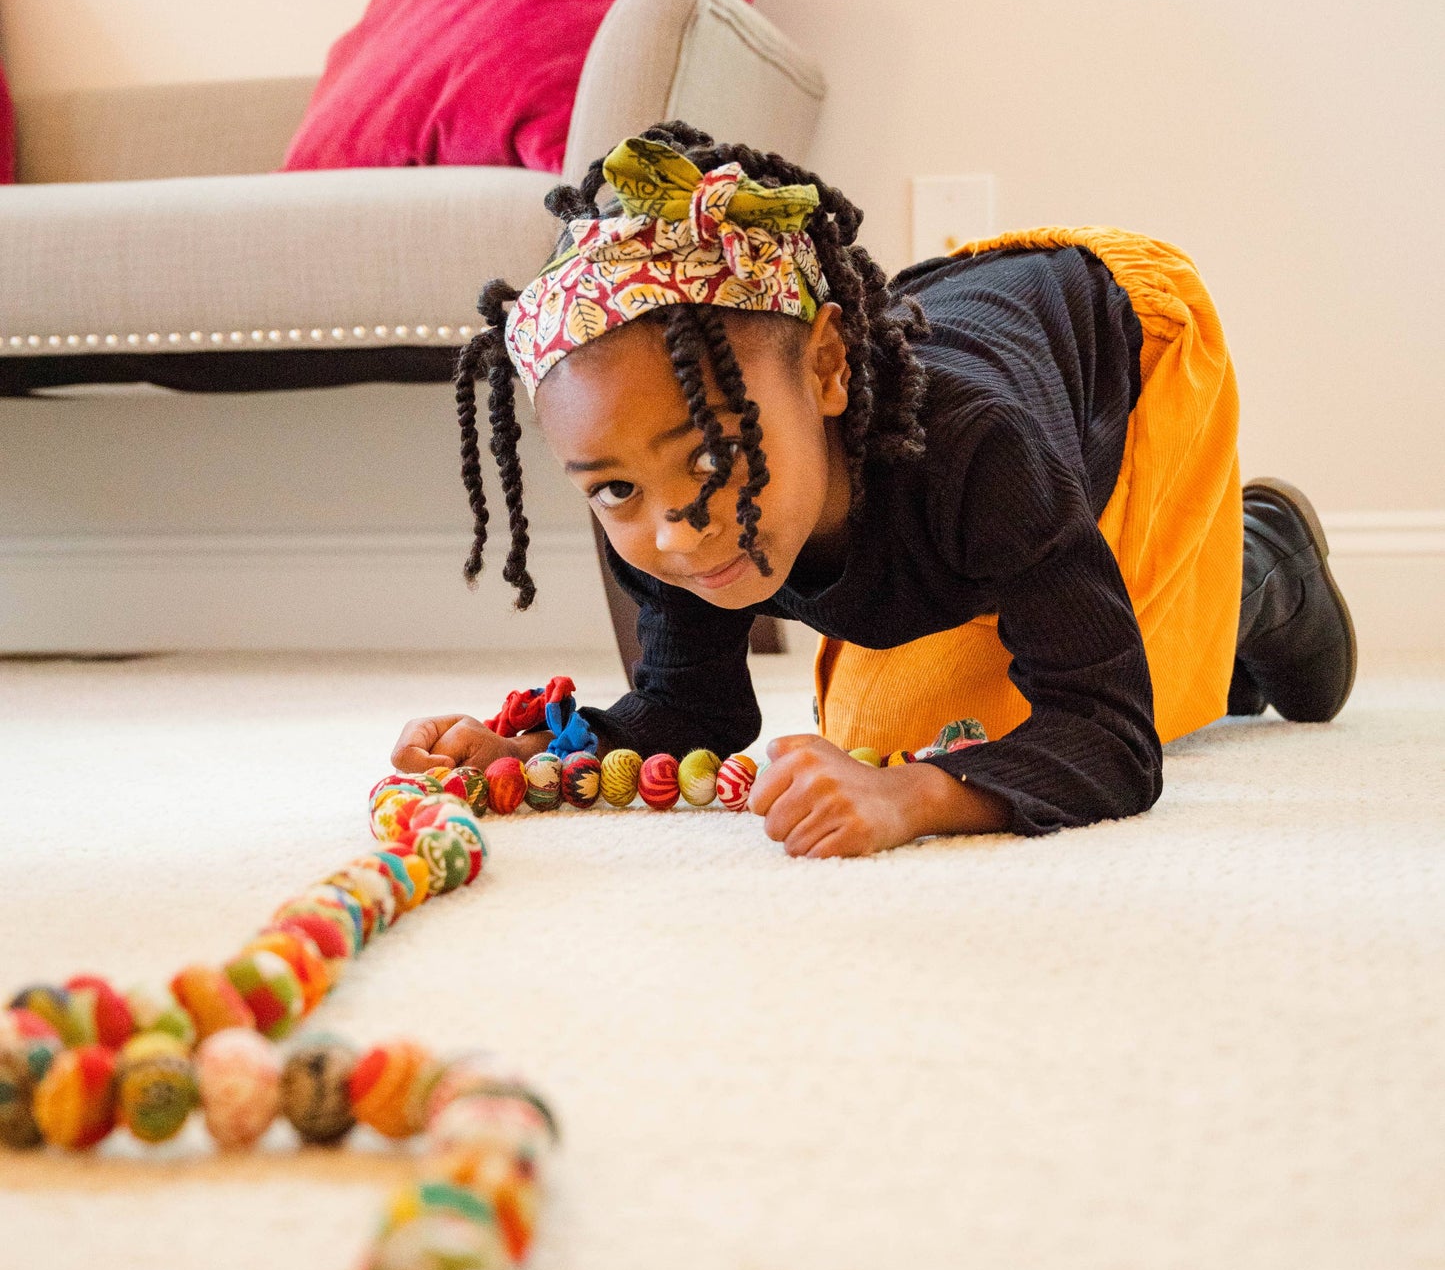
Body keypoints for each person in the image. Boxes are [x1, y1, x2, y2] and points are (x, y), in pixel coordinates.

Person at [391, 125, 1355, 857]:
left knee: (927, 739)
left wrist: (913, 799)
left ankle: (1262, 562)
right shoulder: (661, 503)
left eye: (709, 460)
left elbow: (1108, 734)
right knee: (876, 735)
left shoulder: (981, 454)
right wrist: (543, 754)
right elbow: (695, 710)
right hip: (943, 368)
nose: (675, 535)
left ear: (824, 370)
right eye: (611, 490)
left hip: (1119, 350)